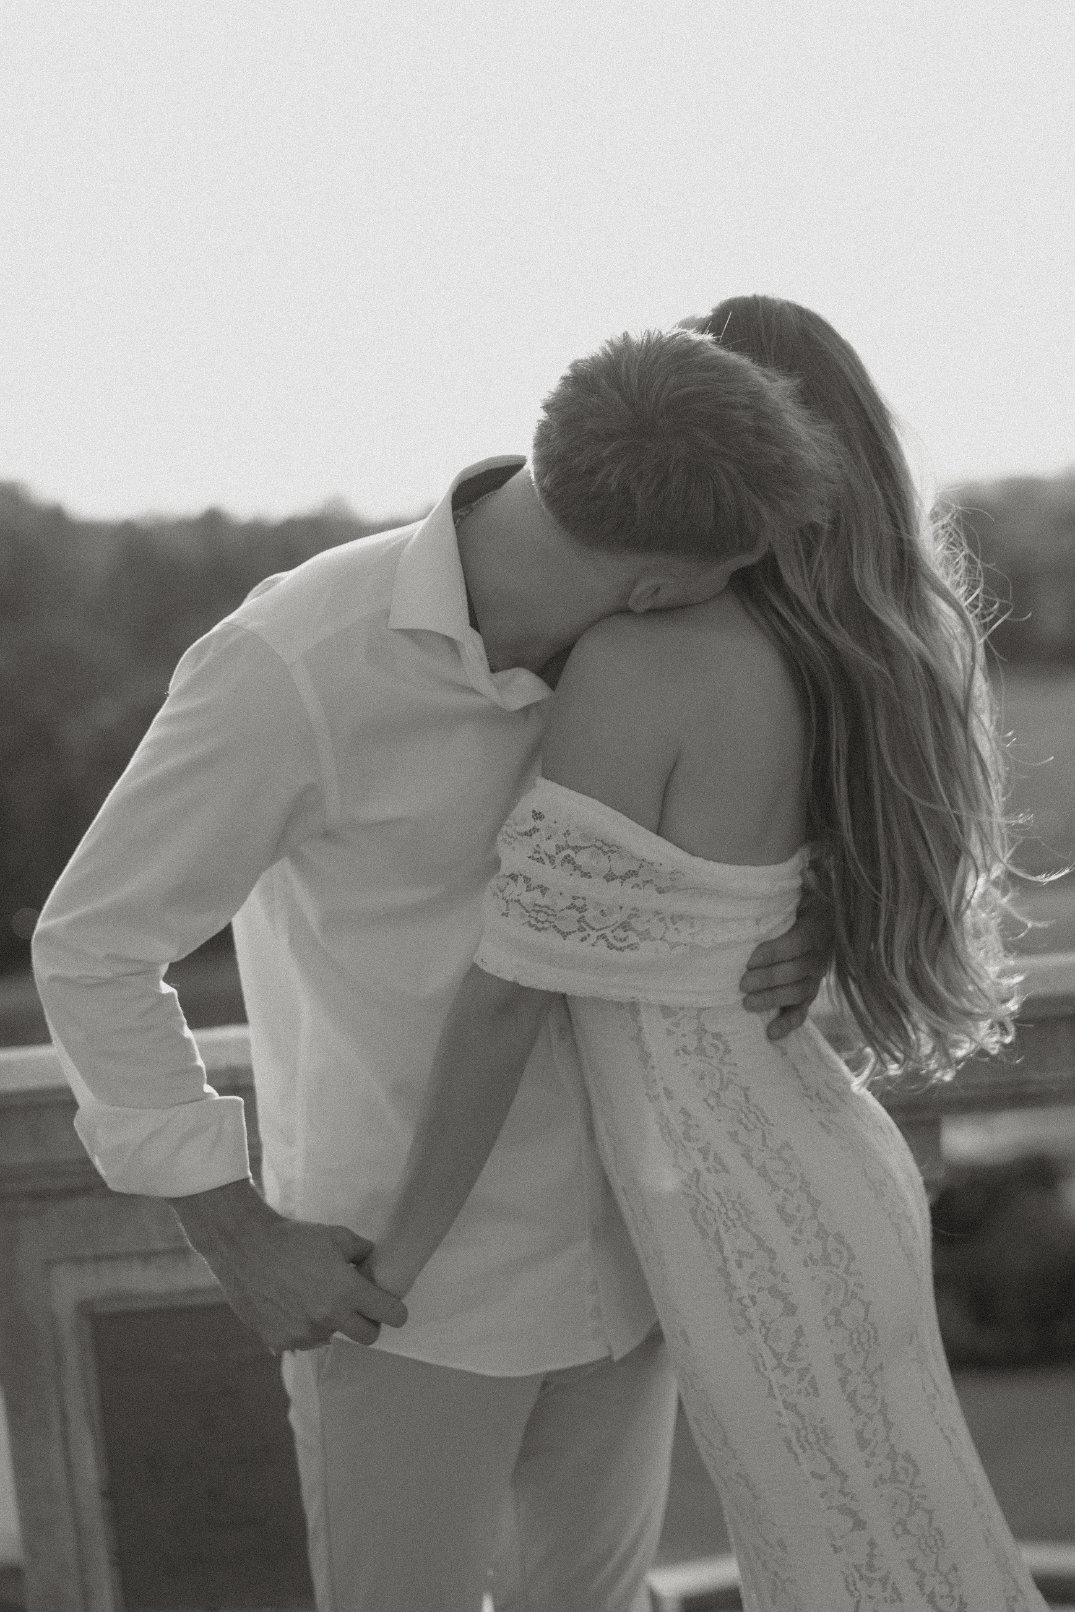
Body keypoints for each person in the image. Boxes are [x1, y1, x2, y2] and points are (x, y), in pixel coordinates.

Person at [31, 326, 838, 1612]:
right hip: (399, 1288)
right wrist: (229, 1223)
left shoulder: (663, 654)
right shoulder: (291, 663)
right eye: (720, 577)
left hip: (638, 1253)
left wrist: (811, 937)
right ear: (646, 585)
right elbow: (91, 943)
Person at [368, 298, 1047, 1611]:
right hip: (817, 1171)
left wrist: (391, 1265)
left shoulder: (640, 659)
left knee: (849, 1570)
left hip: (743, 1202)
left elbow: (510, 999)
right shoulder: (851, 659)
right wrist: (820, 929)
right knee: (903, 1556)